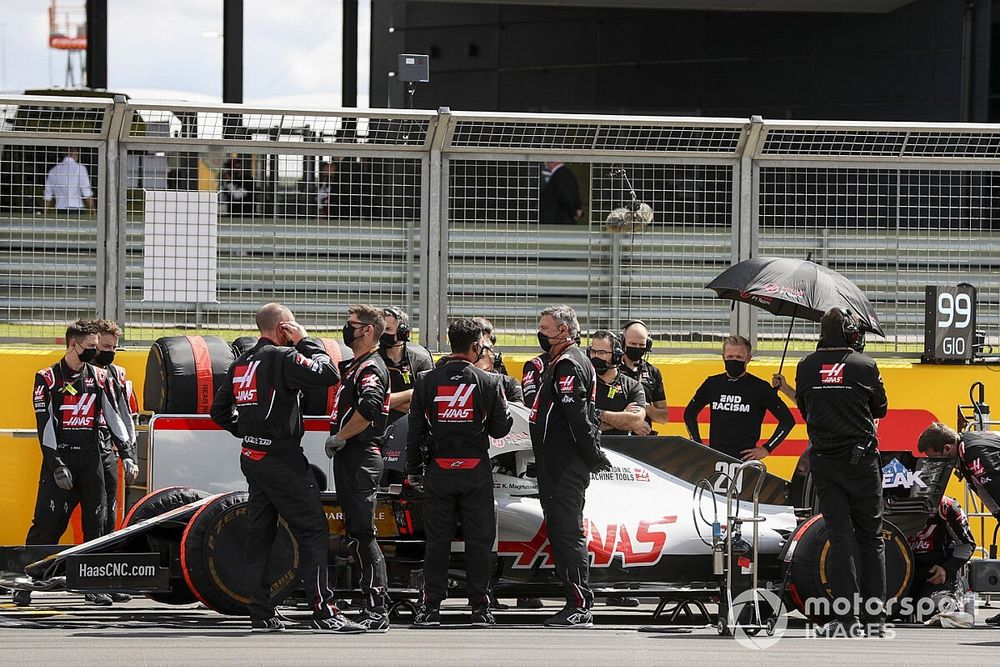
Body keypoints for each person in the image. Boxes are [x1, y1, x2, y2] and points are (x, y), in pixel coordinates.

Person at [210, 303, 363, 634]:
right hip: (281, 458)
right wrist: (305, 341)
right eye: (292, 325)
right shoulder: (281, 356)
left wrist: (246, 431)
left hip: (252, 456)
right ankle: (324, 611)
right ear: (283, 328)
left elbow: (218, 411)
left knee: (260, 534)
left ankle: (261, 612)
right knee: (313, 530)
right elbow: (328, 375)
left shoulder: (240, 363)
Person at [15, 320, 131, 608]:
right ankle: (26, 582)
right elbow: (45, 425)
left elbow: (114, 418)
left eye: (96, 347)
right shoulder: (47, 378)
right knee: (47, 525)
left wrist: (126, 452)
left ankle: (94, 584)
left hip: (92, 458)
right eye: (90, 347)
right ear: (73, 345)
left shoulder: (101, 377)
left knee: (98, 524)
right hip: (62, 459)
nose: (94, 352)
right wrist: (55, 464)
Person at [406, 318, 514, 627]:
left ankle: (430, 609)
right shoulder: (490, 382)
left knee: (437, 542)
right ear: (477, 346)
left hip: (438, 471)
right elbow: (500, 428)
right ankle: (480, 608)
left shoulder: (426, 380)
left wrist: (414, 470)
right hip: (474, 472)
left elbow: (415, 430)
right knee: (479, 542)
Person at [795, 308, 888, 637]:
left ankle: (847, 620)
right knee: (871, 537)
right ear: (851, 334)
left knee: (840, 537)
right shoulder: (865, 366)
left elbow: (805, 412)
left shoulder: (805, 367)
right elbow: (881, 409)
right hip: (861, 462)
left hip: (825, 461)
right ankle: (875, 619)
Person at [529, 305, 611, 628]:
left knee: (567, 534)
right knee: (561, 533)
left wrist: (593, 455)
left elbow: (578, 419)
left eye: (545, 327)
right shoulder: (560, 362)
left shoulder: (568, 363)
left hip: (565, 467)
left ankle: (580, 605)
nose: (540, 332)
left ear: (563, 331)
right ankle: (575, 601)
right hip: (555, 464)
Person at [325, 304, 392, 632]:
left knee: (364, 534)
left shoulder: (370, 368)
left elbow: (368, 408)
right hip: (353, 455)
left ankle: (377, 608)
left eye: (351, 324)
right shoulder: (357, 365)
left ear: (367, 330)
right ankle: (370, 601)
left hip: (361, 454)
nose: (346, 328)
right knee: (356, 533)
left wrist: (339, 436)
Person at [90, 319, 140, 603]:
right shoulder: (71, 373)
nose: (110, 351)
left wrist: (129, 454)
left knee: (107, 517)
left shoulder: (118, 374)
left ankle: (103, 580)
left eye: (114, 347)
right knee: (51, 520)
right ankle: (27, 582)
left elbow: (123, 417)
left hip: (106, 449)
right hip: (71, 455)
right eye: (105, 347)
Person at [683, 335, 795, 461]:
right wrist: (697, 443)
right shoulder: (712, 383)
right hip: (714, 457)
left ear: (748, 359)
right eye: (730, 357)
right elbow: (689, 413)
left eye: (739, 357)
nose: (734, 360)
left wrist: (767, 448)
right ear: (723, 357)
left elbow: (788, 421)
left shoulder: (760, 387)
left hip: (745, 460)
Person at [906, 495, 976, 621]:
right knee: (881, 610)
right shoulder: (886, 503)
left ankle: (955, 590)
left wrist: (946, 568)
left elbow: (967, 544)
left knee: (929, 608)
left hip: (935, 573)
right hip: (901, 574)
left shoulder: (947, 506)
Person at [379, 306, 435, 426]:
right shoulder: (373, 361)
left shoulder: (421, 361)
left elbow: (427, 404)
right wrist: (409, 394)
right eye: (381, 329)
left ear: (402, 332)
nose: (383, 334)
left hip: (411, 429)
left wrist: (387, 402)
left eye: (388, 329)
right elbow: (373, 402)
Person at [589, 330, 649, 437]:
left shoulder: (632, 386)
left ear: (617, 356)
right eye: (593, 351)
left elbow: (636, 421)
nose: (596, 356)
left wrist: (598, 413)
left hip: (620, 450)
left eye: (602, 352)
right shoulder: (584, 383)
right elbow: (582, 424)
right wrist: (622, 417)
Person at [619, 320, 669, 433]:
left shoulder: (653, 373)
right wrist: (631, 422)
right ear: (622, 342)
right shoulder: (612, 370)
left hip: (643, 439)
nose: (637, 348)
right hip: (616, 437)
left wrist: (644, 407)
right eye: (632, 344)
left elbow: (664, 417)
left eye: (641, 345)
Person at [43, 148, 94, 213]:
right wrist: (93, 212)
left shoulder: (53, 171)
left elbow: (47, 196)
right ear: (75, 152)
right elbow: (86, 192)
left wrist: (44, 214)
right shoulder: (80, 169)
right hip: (76, 209)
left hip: (60, 209)